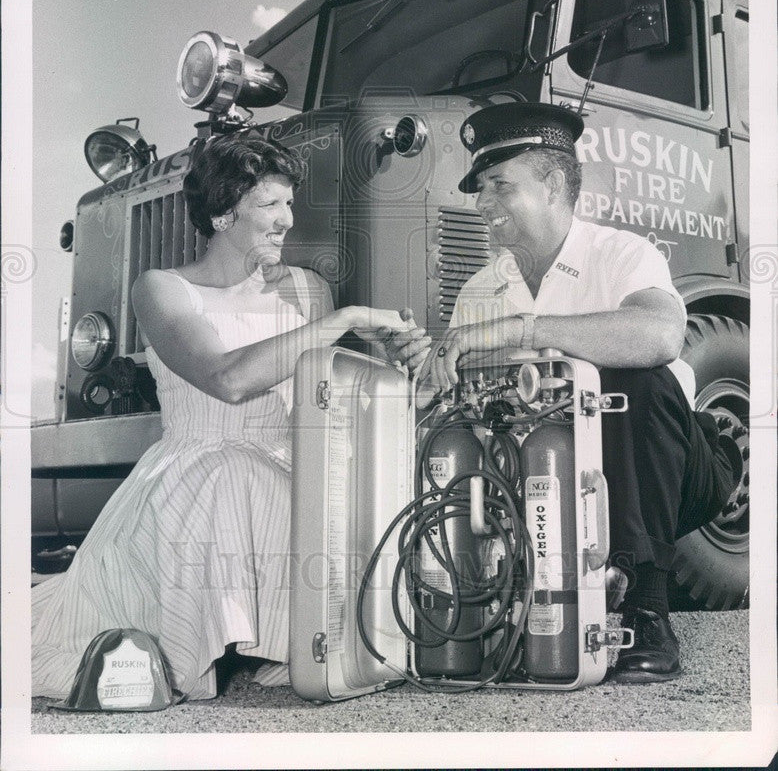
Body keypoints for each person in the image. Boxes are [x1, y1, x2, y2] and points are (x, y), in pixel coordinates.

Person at [31, 132, 418, 702]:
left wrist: (394, 363)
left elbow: (333, 399)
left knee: (285, 486)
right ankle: (191, 654)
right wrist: (346, 319)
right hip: (191, 476)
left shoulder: (309, 292)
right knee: (228, 470)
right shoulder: (162, 289)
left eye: (289, 202)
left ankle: (283, 641)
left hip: (290, 476)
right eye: (270, 204)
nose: (287, 219)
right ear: (222, 213)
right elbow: (226, 379)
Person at [390, 102, 739, 684]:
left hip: (664, 472)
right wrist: (425, 372)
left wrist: (521, 332)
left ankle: (645, 608)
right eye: (480, 190)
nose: (482, 204)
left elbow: (658, 335)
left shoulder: (623, 254)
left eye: (500, 186)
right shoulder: (481, 288)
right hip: (543, 482)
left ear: (553, 184)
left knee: (634, 380)